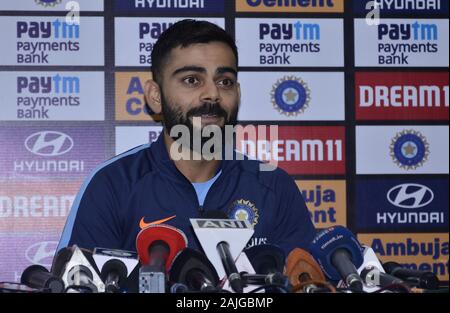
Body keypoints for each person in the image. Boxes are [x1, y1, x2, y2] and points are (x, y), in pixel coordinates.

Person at [57, 19, 316, 260]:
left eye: (225, 81)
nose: (212, 94)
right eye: (192, 80)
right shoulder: (113, 184)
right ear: (155, 96)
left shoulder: (274, 187)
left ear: (237, 93)